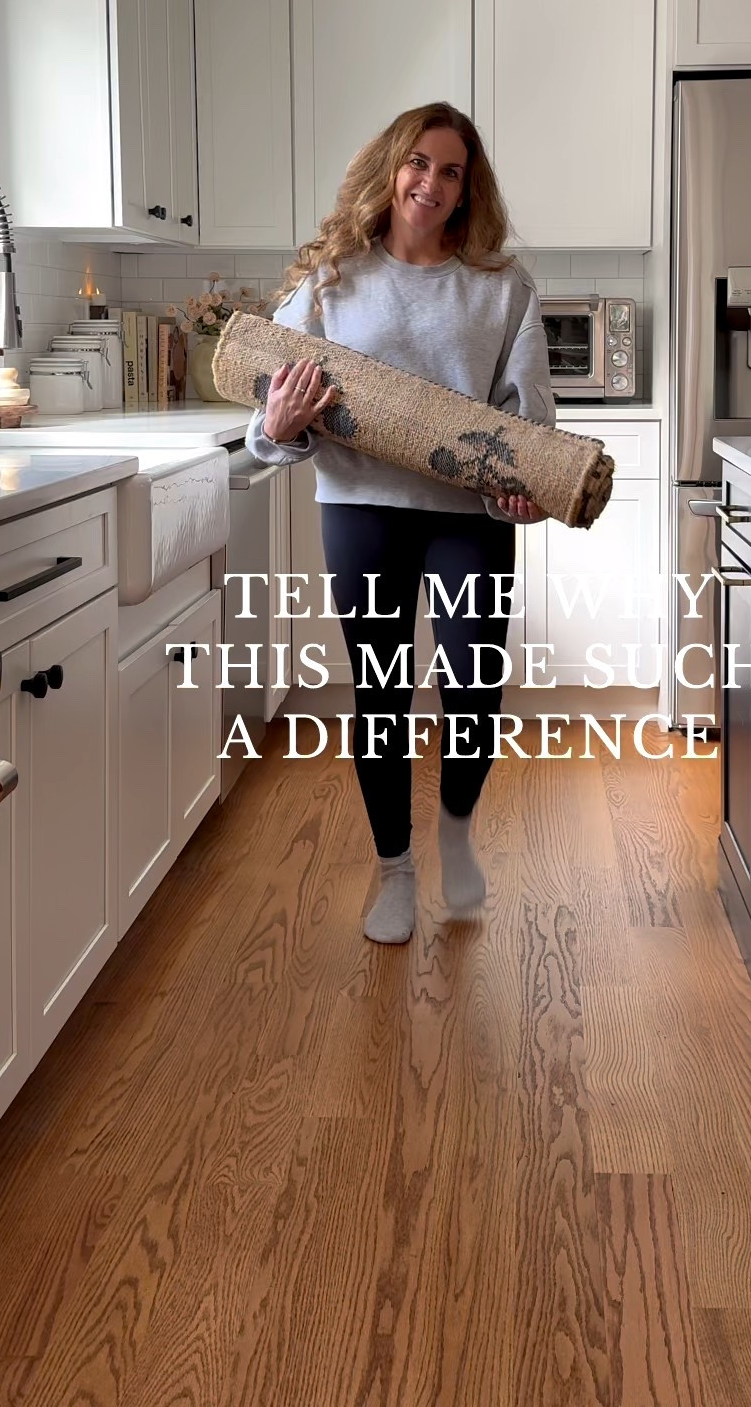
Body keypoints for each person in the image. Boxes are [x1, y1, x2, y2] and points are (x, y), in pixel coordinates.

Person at [245, 101, 555, 943]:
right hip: (362, 508)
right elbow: (268, 414)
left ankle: (454, 835)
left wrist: (520, 487)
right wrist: (275, 430)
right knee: (380, 697)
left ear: (467, 188)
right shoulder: (332, 281)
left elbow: (527, 421)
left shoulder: (501, 287)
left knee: (473, 693)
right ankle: (393, 871)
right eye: (418, 162)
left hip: (467, 519)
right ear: (391, 168)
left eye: (451, 170)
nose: (431, 181)